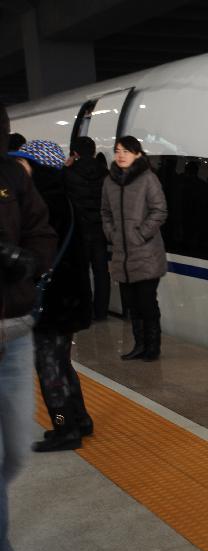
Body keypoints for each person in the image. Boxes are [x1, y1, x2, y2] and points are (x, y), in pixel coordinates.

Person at [0, 105, 57, 551]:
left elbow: (42, 231)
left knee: (16, 454)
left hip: (14, 332)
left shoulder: (13, 178)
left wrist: (30, 263)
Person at [10, 140, 94, 451]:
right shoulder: (65, 198)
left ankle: (64, 427)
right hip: (69, 297)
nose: (21, 170)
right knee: (61, 361)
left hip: (51, 299)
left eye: (25, 163)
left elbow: (34, 254)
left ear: (39, 166)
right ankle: (81, 419)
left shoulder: (40, 203)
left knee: (48, 366)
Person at [101, 136, 167, 361]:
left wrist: (139, 235)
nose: (120, 155)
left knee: (147, 302)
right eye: (117, 150)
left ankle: (153, 347)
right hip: (122, 255)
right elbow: (105, 213)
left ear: (138, 154)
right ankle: (139, 345)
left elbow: (159, 210)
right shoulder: (109, 182)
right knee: (132, 305)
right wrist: (112, 234)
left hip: (146, 254)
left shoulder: (148, 179)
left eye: (126, 151)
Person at [65, 136, 110, 321]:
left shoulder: (68, 173)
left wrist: (65, 168)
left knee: (82, 271)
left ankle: (84, 311)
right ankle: (101, 312)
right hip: (100, 230)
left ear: (74, 153)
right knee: (101, 272)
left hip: (80, 230)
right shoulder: (106, 173)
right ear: (93, 151)